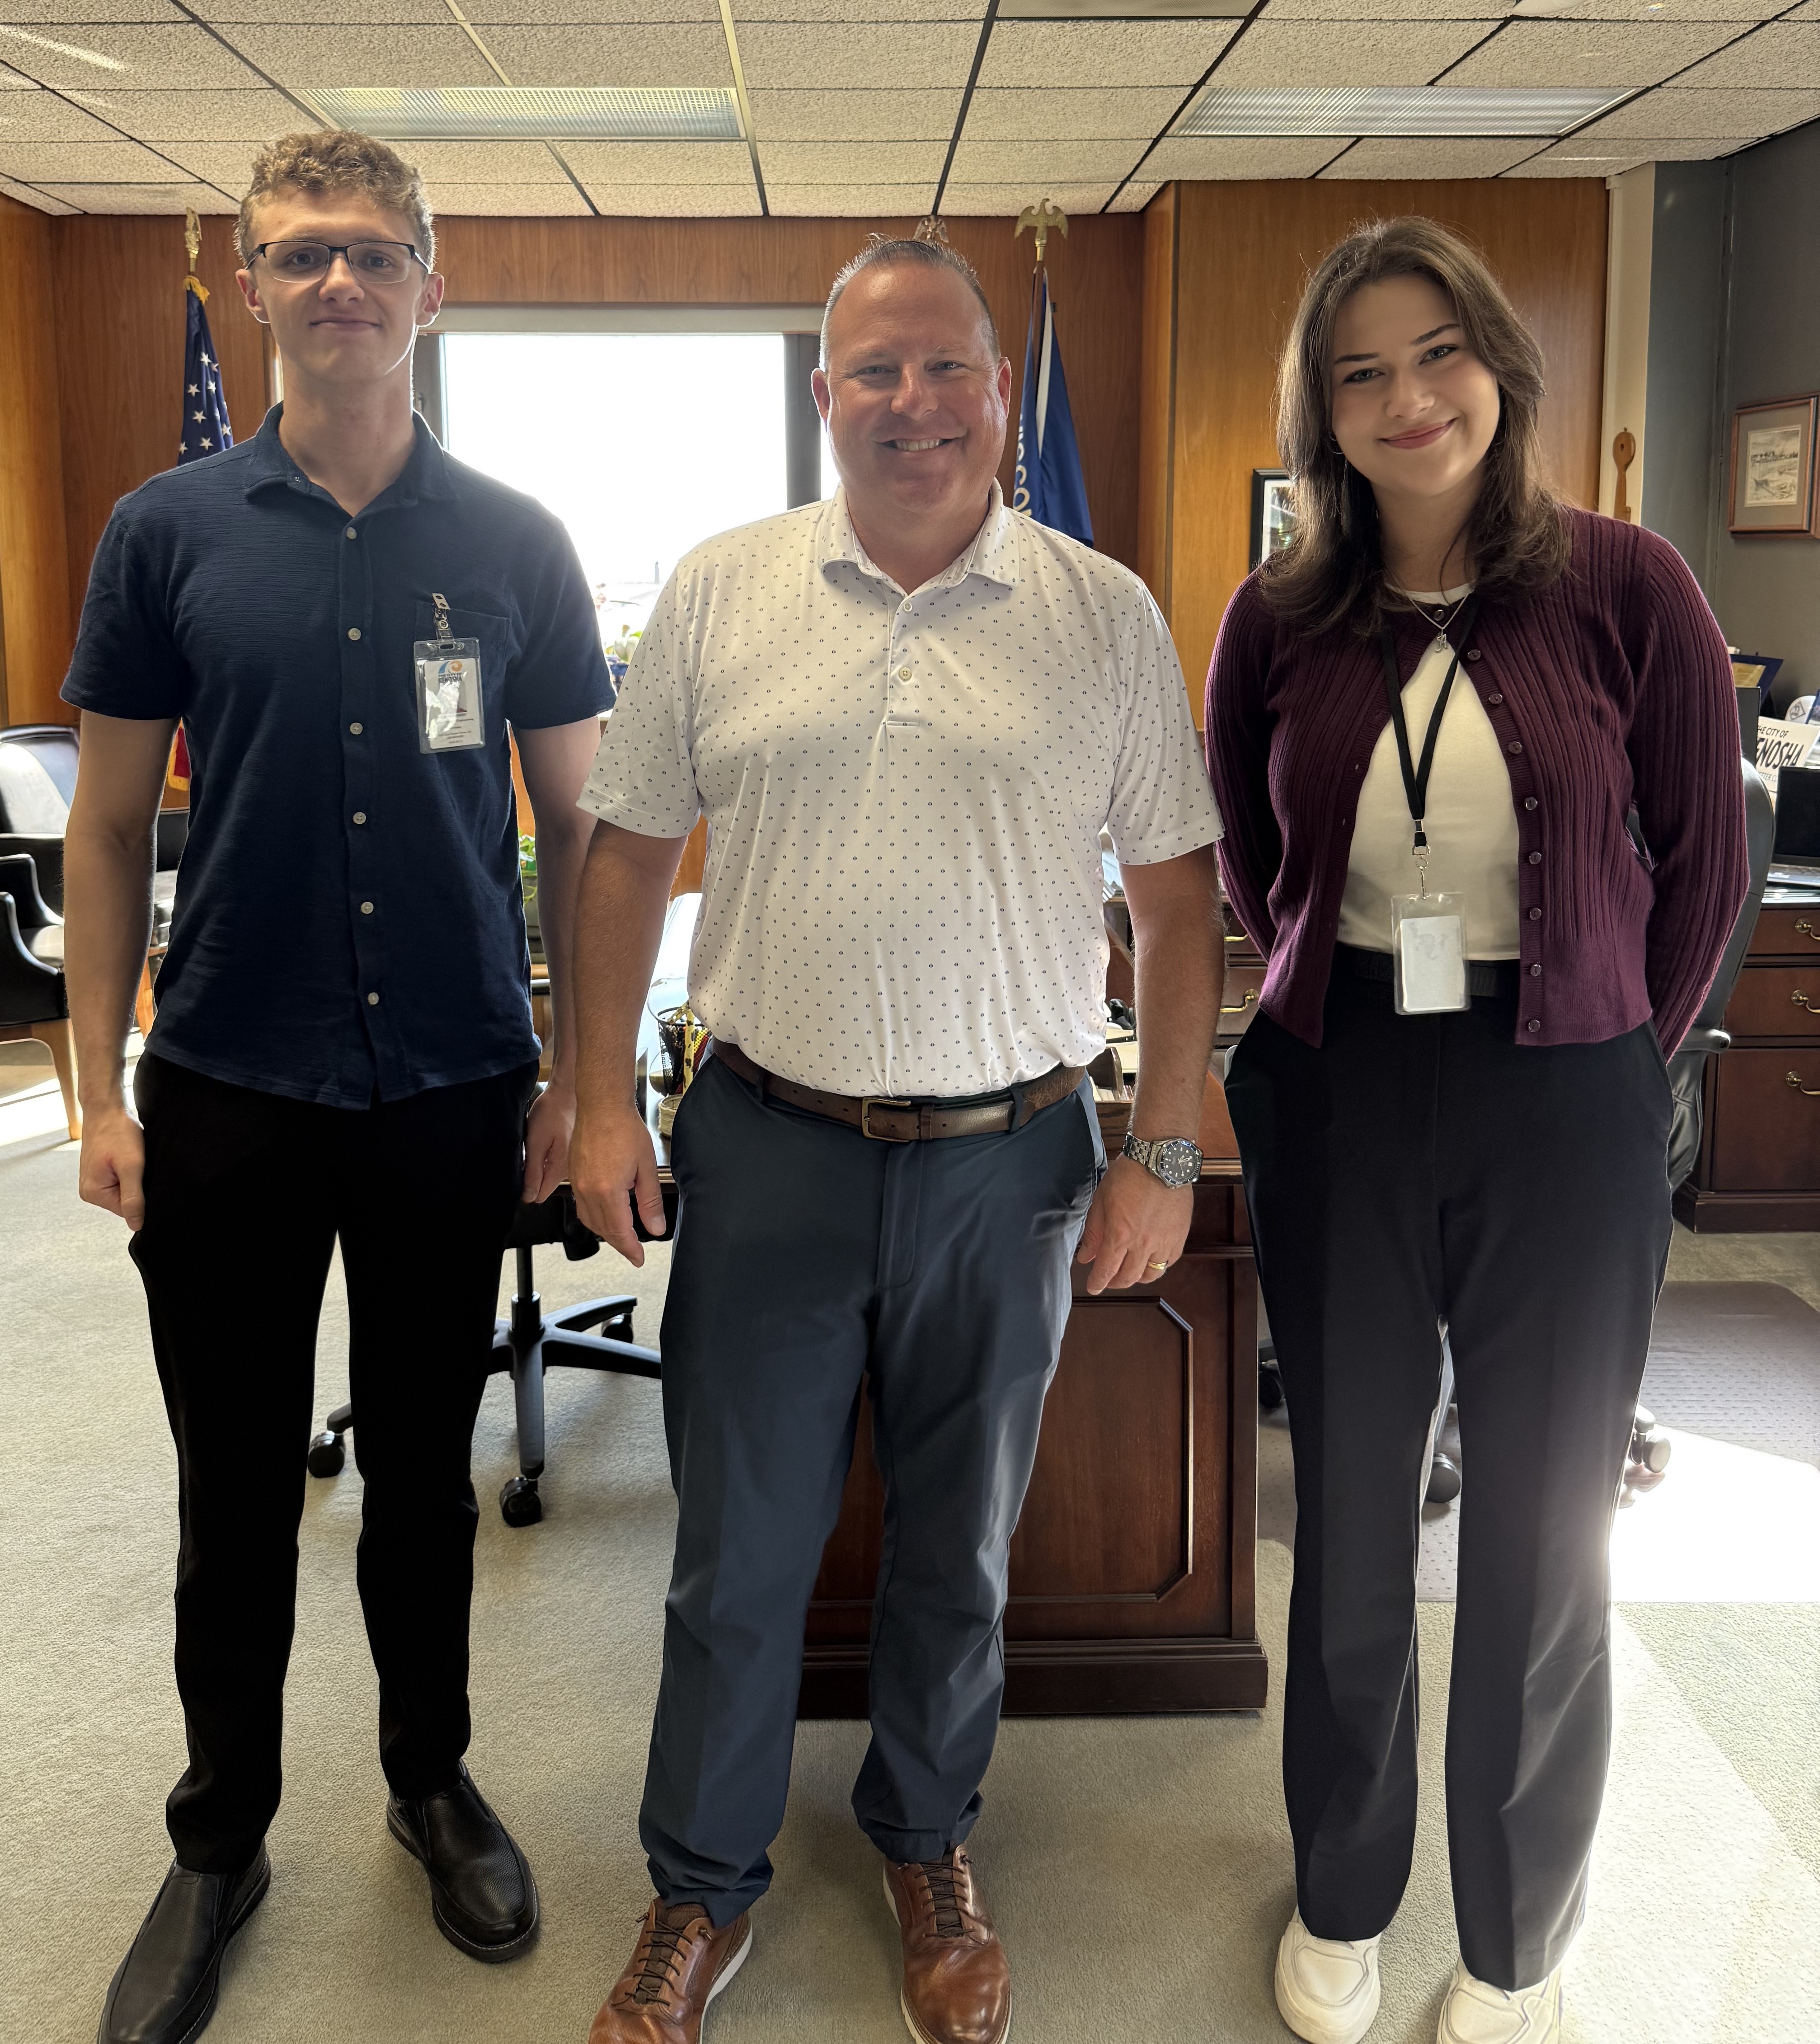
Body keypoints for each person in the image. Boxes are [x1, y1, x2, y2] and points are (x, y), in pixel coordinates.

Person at [568, 236, 1225, 2044]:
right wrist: (602, 1090)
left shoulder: (1102, 611)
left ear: (1000, 394)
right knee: (737, 1557)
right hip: (771, 1144)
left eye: (949, 368)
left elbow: (1179, 907)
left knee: (960, 1554)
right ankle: (699, 1889)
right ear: (825, 395)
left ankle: (927, 1842)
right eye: (878, 372)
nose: (915, 403)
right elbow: (625, 854)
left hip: (1003, 1164)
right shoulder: (721, 591)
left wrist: (1158, 1149)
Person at [62, 131, 612, 2044]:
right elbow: (112, 823)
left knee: (421, 1485)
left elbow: (582, 826)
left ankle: (428, 1778)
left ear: (429, 289)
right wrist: (94, 1094)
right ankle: (221, 1837)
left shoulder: (519, 545)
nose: (339, 284)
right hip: (223, 1078)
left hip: (452, 1083)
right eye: (301, 255)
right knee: (231, 1488)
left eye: (375, 253)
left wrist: (582, 1074)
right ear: (254, 288)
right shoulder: (168, 533)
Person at [1206, 217, 1748, 2044]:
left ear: (1499, 367)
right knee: (1353, 1512)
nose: (1404, 397)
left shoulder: (1628, 583)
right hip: (1343, 1081)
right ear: (1323, 412)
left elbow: (1705, 855)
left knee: (1538, 1535)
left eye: (1434, 353)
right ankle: (1344, 1894)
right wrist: (1317, 1005)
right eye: (1358, 371)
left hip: (1567, 1097)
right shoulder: (1277, 612)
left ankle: (1517, 1938)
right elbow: (1251, 848)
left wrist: (1612, 1052)